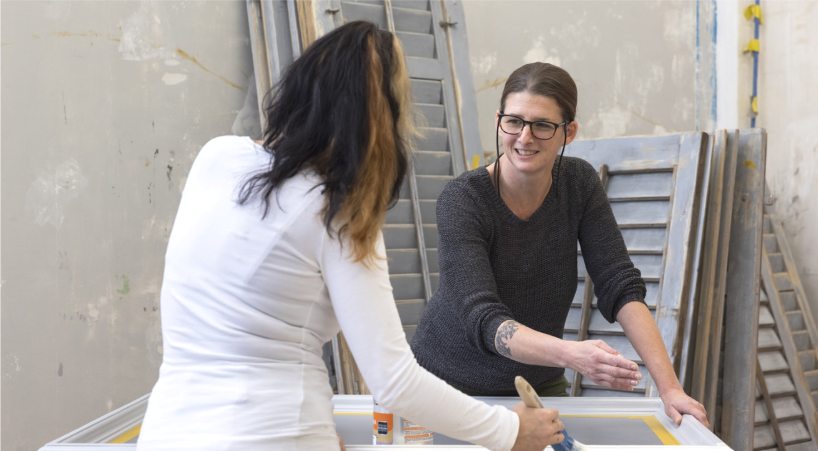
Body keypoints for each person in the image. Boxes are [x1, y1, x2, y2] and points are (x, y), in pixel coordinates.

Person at [136, 22, 564, 451]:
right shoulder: (338, 210)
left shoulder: (216, 156)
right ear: (378, 119)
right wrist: (510, 431)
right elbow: (394, 381)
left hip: (165, 434)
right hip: (277, 435)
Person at [410, 62, 709, 427]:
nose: (524, 137)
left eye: (542, 125)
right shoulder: (463, 199)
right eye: (514, 121)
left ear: (568, 132)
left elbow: (619, 285)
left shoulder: (578, 184)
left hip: (534, 384)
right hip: (445, 384)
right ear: (498, 122)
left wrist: (670, 389)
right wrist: (571, 354)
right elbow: (484, 320)